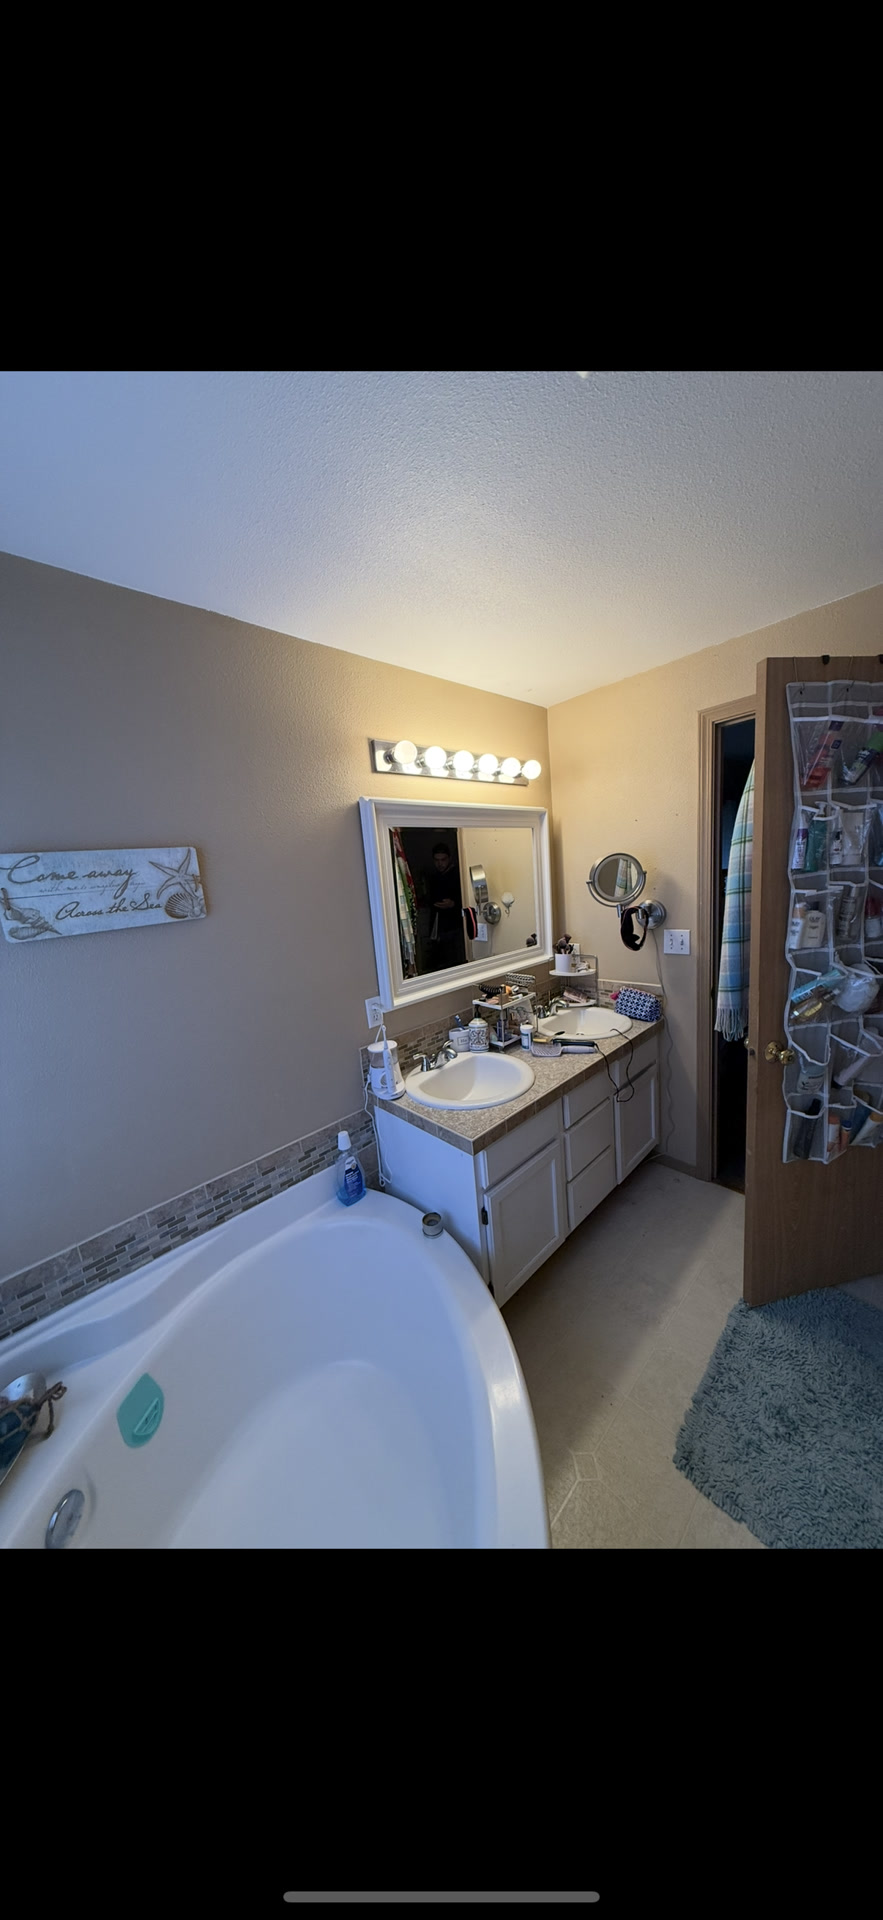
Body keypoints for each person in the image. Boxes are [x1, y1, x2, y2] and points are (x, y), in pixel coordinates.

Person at [426, 842, 465, 969]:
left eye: (443, 860)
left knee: (455, 958)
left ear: (449, 859)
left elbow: (466, 898)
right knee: (440, 960)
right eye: (437, 860)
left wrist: (454, 903)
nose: (440, 864)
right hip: (438, 924)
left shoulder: (458, 875)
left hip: (456, 924)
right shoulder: (433, 877)